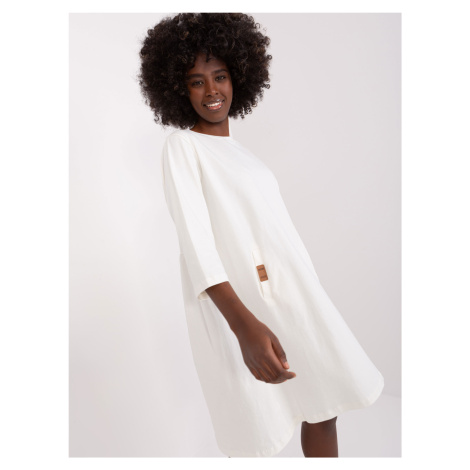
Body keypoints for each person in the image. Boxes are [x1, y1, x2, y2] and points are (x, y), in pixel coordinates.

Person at [138, 13, 384, 458]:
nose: (211, 90)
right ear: (176, 89)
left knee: (324, 407)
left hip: (294, 293)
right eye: (196, 82)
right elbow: (196, 245)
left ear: (238, 76)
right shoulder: (183, 146)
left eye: (220, 76)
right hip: (252, 301)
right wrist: (242, 325)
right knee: (270, 422)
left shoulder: (240, 153)